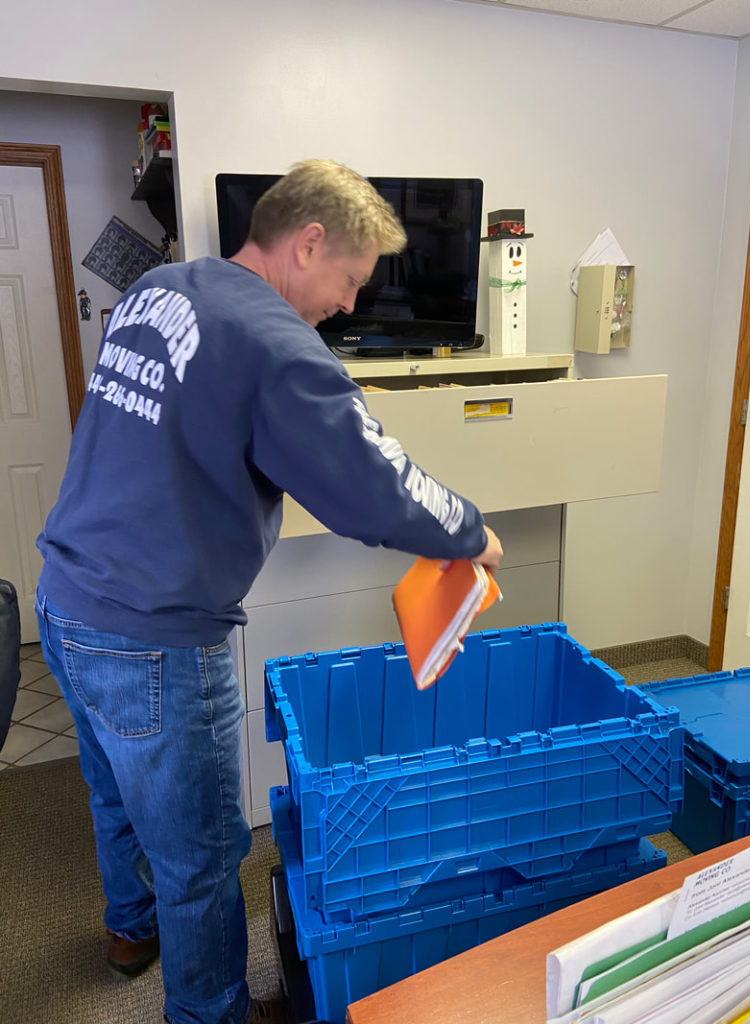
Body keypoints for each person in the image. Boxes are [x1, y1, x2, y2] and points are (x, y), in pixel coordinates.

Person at [35, 158, 503, 1024]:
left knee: (116, 795)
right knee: (205, 850)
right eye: (350, 279)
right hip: (155, 634)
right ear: (310, 241)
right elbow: (374, 486)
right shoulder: (277, 345)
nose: (352, 305)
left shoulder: (161, 288)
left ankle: (129, 931)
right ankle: (208, 1011)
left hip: (65, 597)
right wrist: (472, 531)